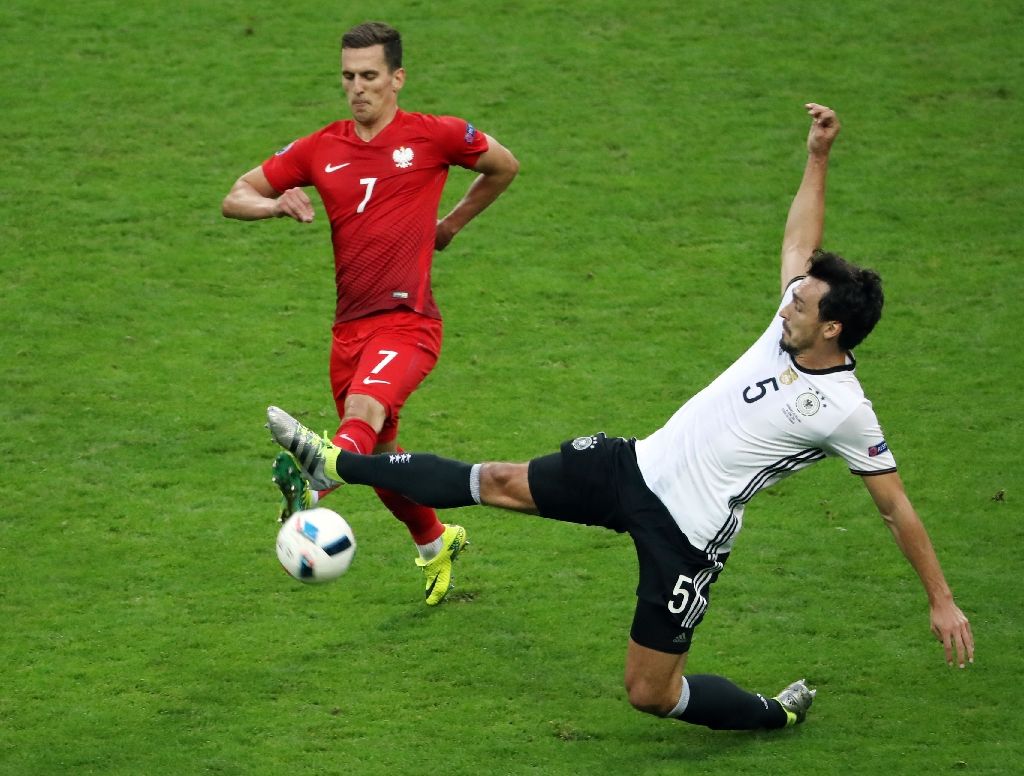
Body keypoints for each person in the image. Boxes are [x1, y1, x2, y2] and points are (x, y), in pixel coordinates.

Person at [263, 103, 974, 731]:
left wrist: (941, 602)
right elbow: (800, 240)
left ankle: (773, 714)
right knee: (501, 480)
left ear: (833, 333)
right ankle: (333, 461)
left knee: (650, 693)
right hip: (632, 464)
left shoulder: (847, 412)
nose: (786, 303)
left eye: (802, 305)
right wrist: (817, 157)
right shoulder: (788, 321)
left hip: (688, 534)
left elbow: (896, 510)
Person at [222, 22, 519, 605]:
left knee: (360, 417)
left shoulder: (434, 136)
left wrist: (451, 226)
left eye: (370, 76)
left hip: (410, 324)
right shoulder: (320, 147)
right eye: (349, 77)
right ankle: (437, 543)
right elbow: (235, 196)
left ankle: (316, 479)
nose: (358, 88)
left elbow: (503, 165)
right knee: (383, 461)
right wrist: (274, 204)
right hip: (348, 331)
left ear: (396, 78)